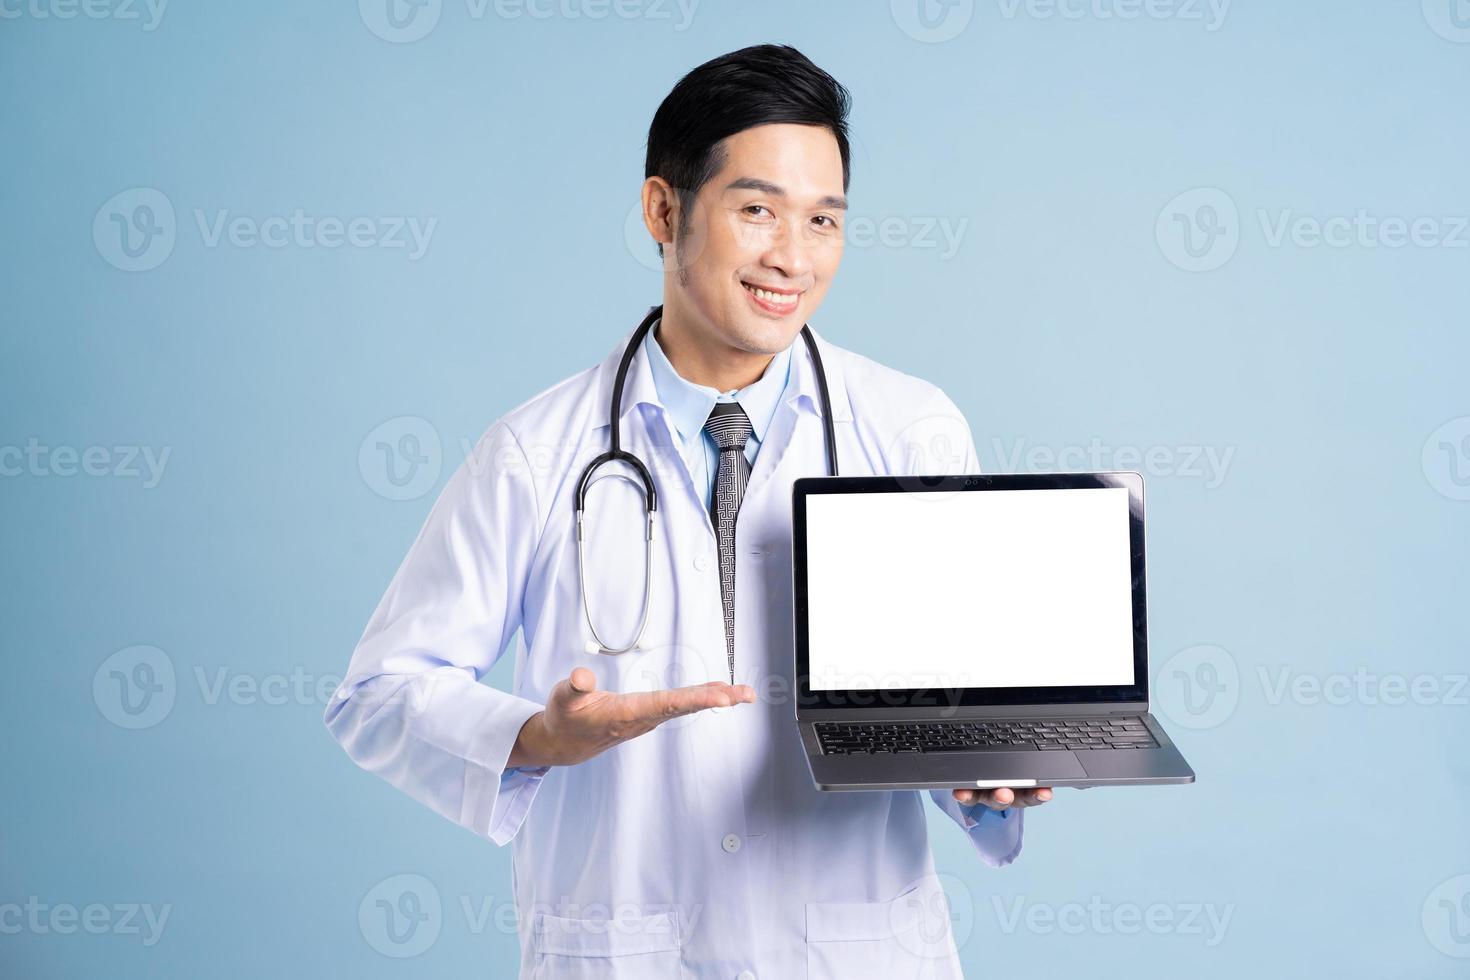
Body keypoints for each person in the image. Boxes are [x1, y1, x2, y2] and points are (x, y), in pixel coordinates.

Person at [326, 43, 1052, 979]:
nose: (791, 257)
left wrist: (981, 772)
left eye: (823, 220)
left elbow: (953, 708)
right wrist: (535, 738)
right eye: (756, 210)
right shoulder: (534, 454)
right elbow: (378, 695)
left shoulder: (909, 429)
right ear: (663, 211)